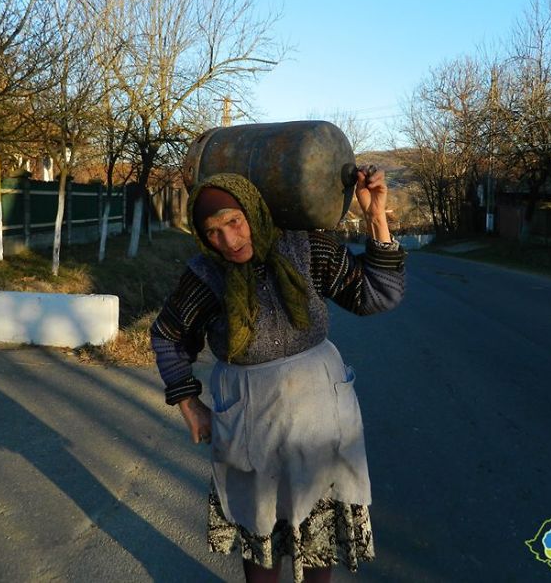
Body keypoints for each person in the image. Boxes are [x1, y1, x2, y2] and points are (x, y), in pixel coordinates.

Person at [150, 167, 406, 583]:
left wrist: (376, 217)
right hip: (250, 418)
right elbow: (168, 334)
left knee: (319, 532)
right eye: (213, 232)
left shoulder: (304, 246)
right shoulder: (206, 276)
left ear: (253, 210)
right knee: (260, 532)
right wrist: (188, 404)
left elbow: (378, 294)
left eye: (235, 222)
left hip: (319, 412)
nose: (229, 241)